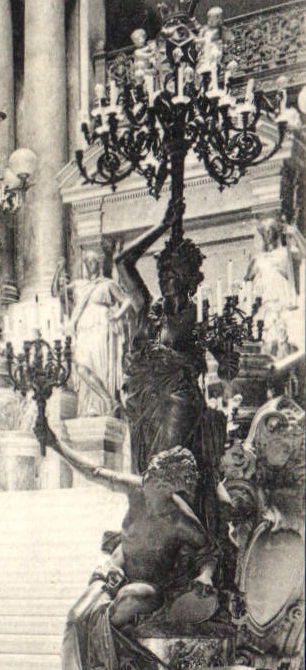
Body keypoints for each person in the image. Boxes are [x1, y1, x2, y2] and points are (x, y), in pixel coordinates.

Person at [47, 445, 219, 670]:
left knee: (127, 599)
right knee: (75, 617)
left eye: (153, 480)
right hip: (117, 574)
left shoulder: (180, 520)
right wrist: (55, 444)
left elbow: (210, 552)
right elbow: (93, 472)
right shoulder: (135, 490)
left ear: (168, 485)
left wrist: (206, 576)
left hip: (151, 588)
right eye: (147, 476)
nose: (144, 483)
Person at [115, 203, 227, 533]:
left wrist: (229, 357)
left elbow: (228, 366)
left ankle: (177, 538)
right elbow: (122, 262)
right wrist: (163, 226)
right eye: (163, 274)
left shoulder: (197, 318)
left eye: (174, 275)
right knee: (145, 470)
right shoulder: (148, 308)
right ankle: (148, 537)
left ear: (189, 279)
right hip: (143, 402)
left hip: (179, 400)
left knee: (165, 469)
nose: (167, 281)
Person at [67, 242, 134, 416]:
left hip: (101, 327)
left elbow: (128, 300)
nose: (90, 264)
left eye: (93, 261)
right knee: (81, 365)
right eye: (87, 261)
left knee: (98, 366)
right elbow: (56, 292)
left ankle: (102, 407)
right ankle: (106, 402)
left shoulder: (107, 284)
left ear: (99, 263)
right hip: (83, 328)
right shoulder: (79, 285)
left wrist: (117, 315)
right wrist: (59, 273)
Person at [243, 219, 298, 356]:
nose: (268, 234)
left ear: (277, 232)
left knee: (283, 337)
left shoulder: (285, 253)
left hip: (283, 303)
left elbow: (303, 257)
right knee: (265, 336)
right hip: (264, 305)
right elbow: (247, 282)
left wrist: (296, 234)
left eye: (271, 230)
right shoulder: (258, 259)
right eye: (265, 231)